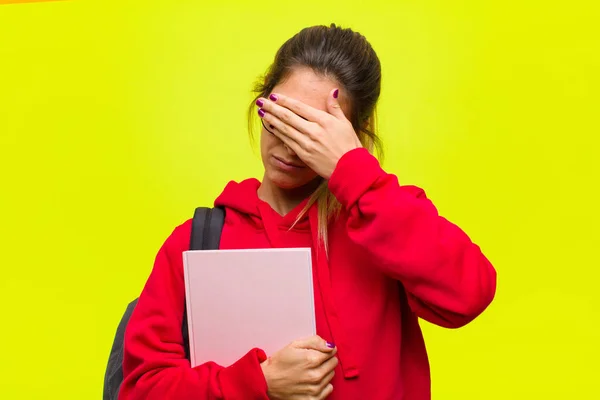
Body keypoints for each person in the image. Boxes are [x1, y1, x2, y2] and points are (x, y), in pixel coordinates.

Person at [119, 24, 497, 400]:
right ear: (262, 100)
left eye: (313, 129)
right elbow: (142, 390)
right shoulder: (198, 241)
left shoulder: (386, 216)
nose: (289, 146)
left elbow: (469, 295)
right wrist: (258, 382)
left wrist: (355, 171)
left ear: (354, 132)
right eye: (280, 118)